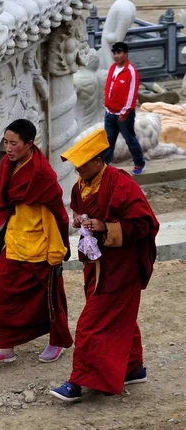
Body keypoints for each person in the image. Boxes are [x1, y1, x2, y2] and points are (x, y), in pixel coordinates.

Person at [50, 128, 159, 402]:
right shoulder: (82, 185)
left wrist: (105, 227)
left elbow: (146, 223)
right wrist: (80, 220)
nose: (78, 170)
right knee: (120, 316)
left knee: (91, 323)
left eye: (83, 164)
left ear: (99, 161)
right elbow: (80, 207)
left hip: (122, 266)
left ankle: (78, 381)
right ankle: (133, 367)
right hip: (98, 264)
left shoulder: (121, 183)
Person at [0, 119, 73, 365]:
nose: (8, 148)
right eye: (5, 142)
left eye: (13, 143)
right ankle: (5, 346)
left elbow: (54, 216)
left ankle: (57, 342)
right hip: (14, 243)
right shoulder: (9, 166)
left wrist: (56, 250)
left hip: (40, 247)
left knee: (51, 298)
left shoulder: (41, 174)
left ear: (29, 144)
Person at [103, 41, 146, 175]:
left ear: (125, 54)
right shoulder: (112, 68)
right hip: (109, 112)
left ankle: (139, 163)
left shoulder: (131, 72)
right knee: (108, 141)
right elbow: (109, 88)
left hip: (123, 115)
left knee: (129, 139)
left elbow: (131, 94)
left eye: (119, 53)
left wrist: (124, 112)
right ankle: (104, 166)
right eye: (114, 53)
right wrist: (107, 106)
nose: (116, 56)